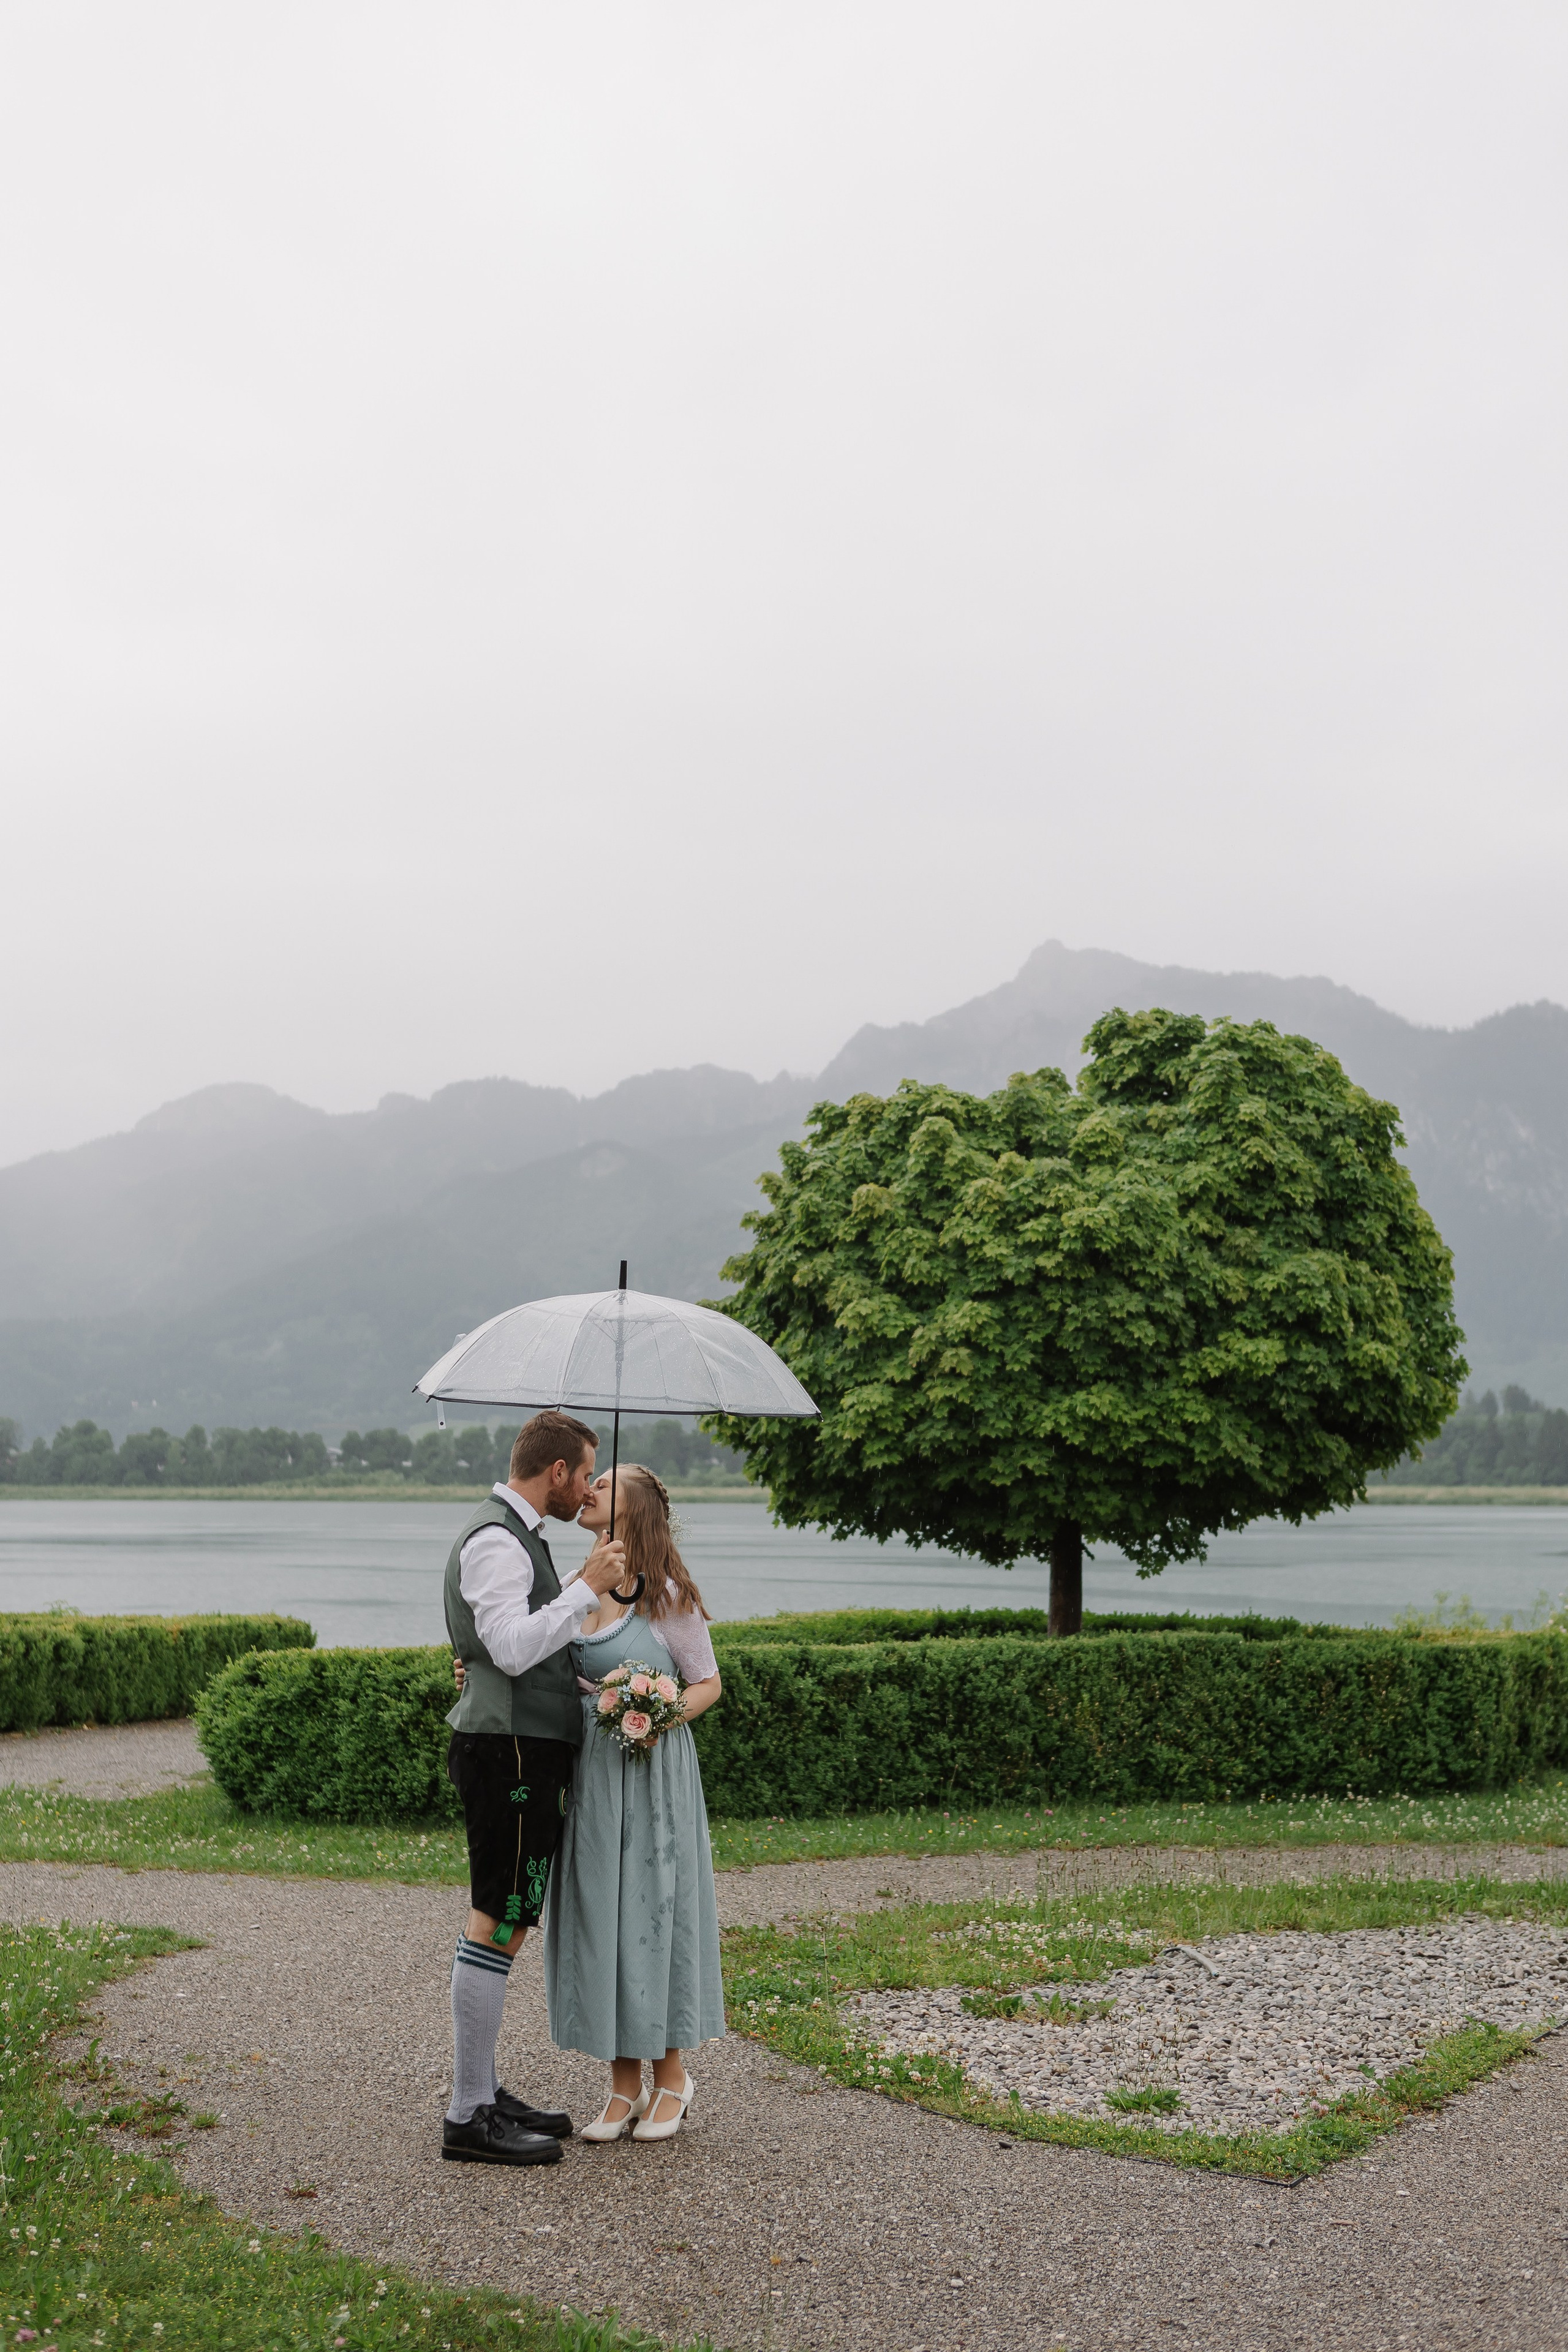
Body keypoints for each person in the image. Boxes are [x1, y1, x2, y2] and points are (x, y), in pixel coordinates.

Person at [439, 1408, 628, 2168]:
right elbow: (511, 1651)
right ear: (557, 1472)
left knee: (510, 1917)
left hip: (527, 1750)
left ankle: (482, 2091)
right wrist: (583, 1589)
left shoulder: (518, 1539)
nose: (586, 1488)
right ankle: (466, 2115)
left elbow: (518, 1650)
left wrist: (594, 1683)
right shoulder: (494, 1540)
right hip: (507, 1754)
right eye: (585, 1473)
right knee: (497, 1917)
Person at [544, 1462, 725, 2143]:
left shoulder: (669, 1597)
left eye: (605, 1485)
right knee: (605, 1915)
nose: (588, 1491)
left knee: (654, 1911)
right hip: (593, 1777)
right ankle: (621, 2088)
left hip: (652, 1774)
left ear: (635, 1510)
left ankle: (672, 2075)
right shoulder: (572, 1586)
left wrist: (654, 1706)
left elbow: (706, 1684)